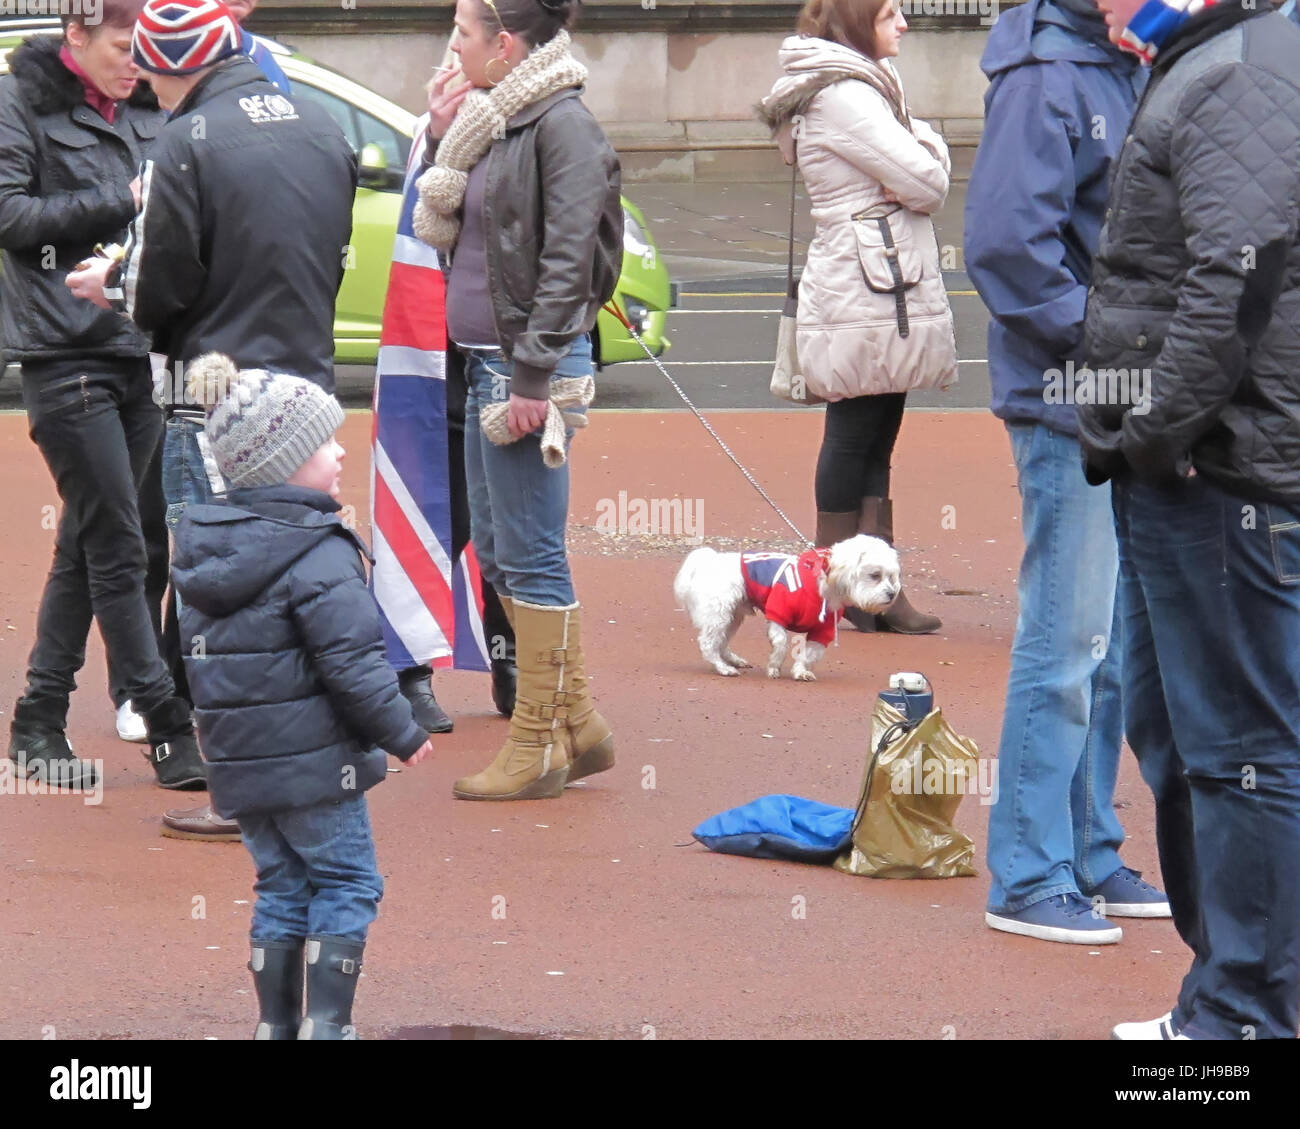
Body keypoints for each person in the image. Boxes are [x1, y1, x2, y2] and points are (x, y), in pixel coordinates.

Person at [67, 0, 358, 837]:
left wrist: (111, 288)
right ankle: (307, 768)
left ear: (179, 64)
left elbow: (162, 289)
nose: (149, 89)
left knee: (220, 598)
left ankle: (246, 786)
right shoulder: (317, 123)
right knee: (292, 579)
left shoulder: (186, 143)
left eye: (154, 72)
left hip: (211, 398)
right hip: (303, 385)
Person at [1078, 0, 1300, 1039]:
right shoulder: (1218, 57)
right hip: (1199, 464)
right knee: (1182, 740)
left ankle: (1243, 1016)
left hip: (1217, 473)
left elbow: (1234, 270)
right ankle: (1234, 992)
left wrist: (1155, 429)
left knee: (1236, 752)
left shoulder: (1233, 71)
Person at [965, 0, 1168, 946]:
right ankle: (1029, 868)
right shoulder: (1049, 77)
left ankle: (1086, 849)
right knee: (1067, 637)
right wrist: (1118, 344)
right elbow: (1008, 250)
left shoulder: (1117, 64)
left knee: (1112, 645)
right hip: (1070, 397)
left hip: (1114, 390)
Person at [172, 353, 432, 1039]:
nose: (341, 450)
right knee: (347, 882)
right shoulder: (318, 551)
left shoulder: (201, 549)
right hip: (319, 766)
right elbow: (353, 663)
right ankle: (327, 1025)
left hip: (241, 764)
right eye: (324, 441)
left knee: (282, 886)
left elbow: (188, 657)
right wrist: (403, 729)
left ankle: (275, 1024)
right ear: (283, 461)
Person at [414, 0, 620, 800]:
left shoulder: (560, 126)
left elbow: (569, 260)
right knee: (500, 551)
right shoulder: (497, 118)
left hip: (518, 370)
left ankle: (540, 739)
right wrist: (438, 137)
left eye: (463, 32)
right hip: (487, 362)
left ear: (505, 45)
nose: (452, 43)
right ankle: (578, 720)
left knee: (529, 553)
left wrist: (534, 376)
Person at [0, 0, 208, 791]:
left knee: (93, 541)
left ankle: (38, 718)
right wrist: (128, 196)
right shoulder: (19, 101)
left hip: (137, 349)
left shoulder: (149, 106)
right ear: (75, 37)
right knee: (120, 543)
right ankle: (165, 724)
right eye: (125, 46)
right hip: (65, 357)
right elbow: (11, 214)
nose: (137, 61)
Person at [758, 0, 954, 635]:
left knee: (875, 431)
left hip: (877, 277)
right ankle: (836, 585)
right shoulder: (847, 95)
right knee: (855, 429)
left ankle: (875, 589)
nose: (904, 23)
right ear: (854, 19)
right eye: (891, 12)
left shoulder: (859, 88)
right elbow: (926, 182)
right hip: (867, 281)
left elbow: (914, 180)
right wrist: (926, 140)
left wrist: (914, 151)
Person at [370, 97, 517, 738]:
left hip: (511, 348)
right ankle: (408, 669)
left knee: (512, 520)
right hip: (441, 351)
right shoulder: (437, 131)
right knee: (442, 510)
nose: (456, 53)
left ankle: (515, 661)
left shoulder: (545, 125)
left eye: (469, 36)